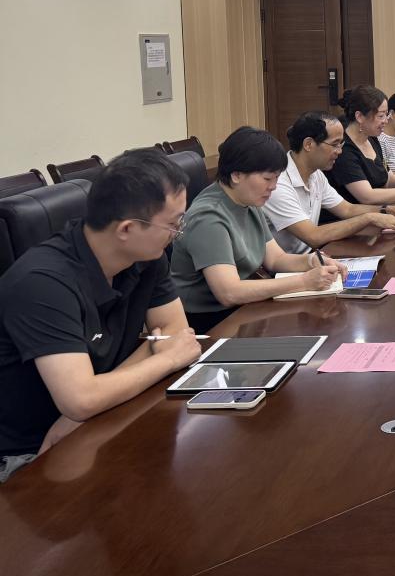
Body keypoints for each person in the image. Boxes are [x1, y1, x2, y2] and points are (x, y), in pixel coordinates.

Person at [0, 149, 201, 482]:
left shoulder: (146, 257)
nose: (178, 232)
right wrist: (165, 358)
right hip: (29, 455)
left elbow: (173, 330)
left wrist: (86, 408)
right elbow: (81, 398)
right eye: (172, 224)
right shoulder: (42, 282)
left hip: (92, 424)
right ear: (126, 229)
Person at [170, 127, 347, 332]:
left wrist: (311, 261)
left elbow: (276, 259)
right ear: (236, 175)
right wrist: (304, 281)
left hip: (244, 309)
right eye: (267, 179)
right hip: (211, 324)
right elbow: (229, 292)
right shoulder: (208, 217)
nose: (273, 187)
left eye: (276, 178)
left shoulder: (248, 200)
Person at [263, 111, 395, 255]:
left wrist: (388, 210)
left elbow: (347, 209)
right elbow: (313, 236)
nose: (340, 151)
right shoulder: (278, 183)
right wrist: (369, 218)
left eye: (341, 144)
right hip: (289, 267)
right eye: (335, 144)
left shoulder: (316, 175)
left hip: (313, 256)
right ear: (308, 144)